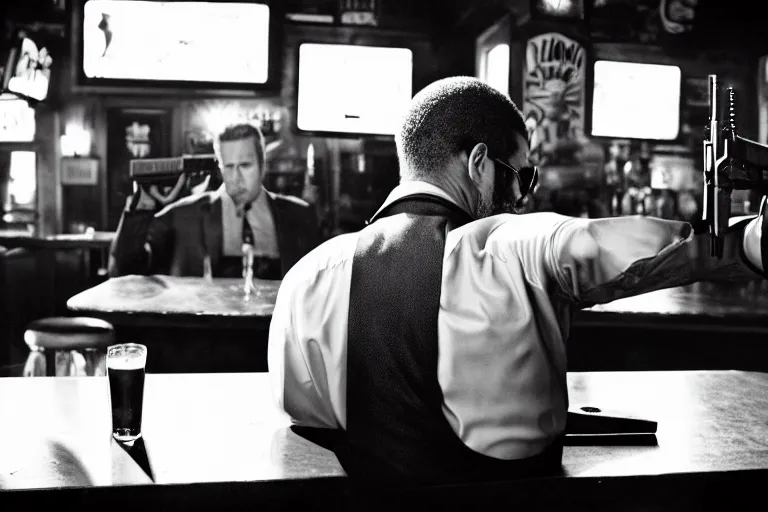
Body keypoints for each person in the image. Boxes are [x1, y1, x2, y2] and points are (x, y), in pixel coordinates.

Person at [267, 76, 766, 486]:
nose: (523, 197)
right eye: (521, 176)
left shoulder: (305, 279)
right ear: (480, 164)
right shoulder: (512, 248)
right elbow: (604, 245)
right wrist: (750, 242)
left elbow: (310, 425)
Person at [108, 123, 321, 279]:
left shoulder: (299, 216)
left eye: (245, 166)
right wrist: (143, 204)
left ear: (262, 164)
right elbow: (124, 270)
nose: (236, 178)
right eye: (229, 167)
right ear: (219, 167)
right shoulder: (184, 216)